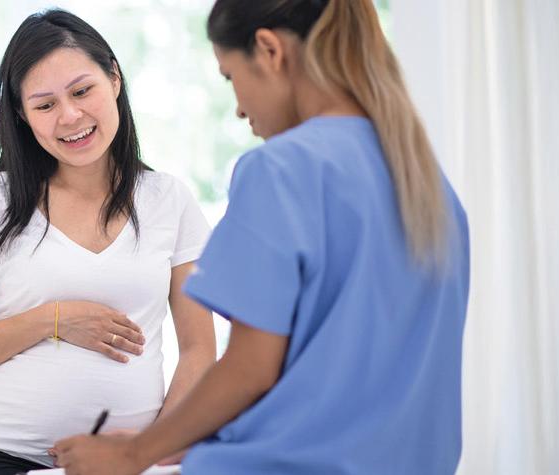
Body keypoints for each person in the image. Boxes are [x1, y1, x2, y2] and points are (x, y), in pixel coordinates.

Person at [53, 0, 471, 473]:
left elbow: (250, 369)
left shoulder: (282, 170)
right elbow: (346, 385)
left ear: (269, 50)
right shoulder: (428, 184)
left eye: (231, 77)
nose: (237, 109)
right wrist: (179, 439)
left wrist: (134, 453)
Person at [0, 9, 217, 475]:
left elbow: (200, 350)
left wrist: (155, 447)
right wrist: (54, 319)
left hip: (129, 463)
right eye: (45, 105)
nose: (70, 116)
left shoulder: (169, 200)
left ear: (114, 80)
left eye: (82, 91)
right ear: (23, 116)